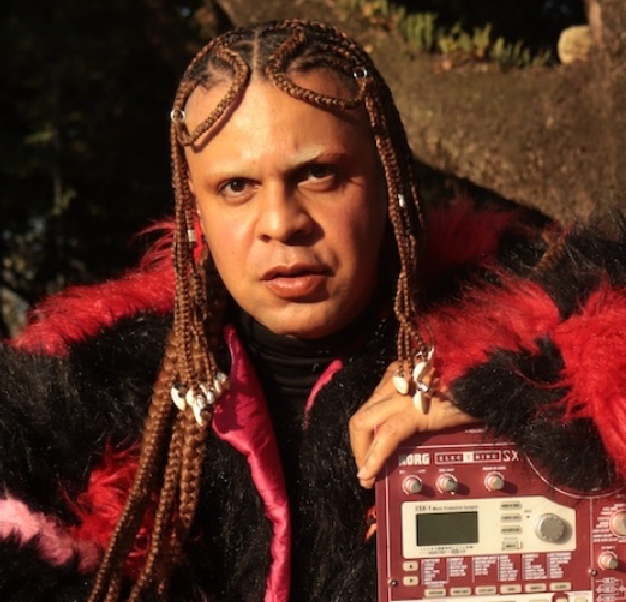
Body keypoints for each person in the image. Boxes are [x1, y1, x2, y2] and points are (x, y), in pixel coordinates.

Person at [1, 18, 625, 602]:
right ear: (196, 210)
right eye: (237, 187)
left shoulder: (539, 318)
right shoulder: (83, 395)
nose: (281, 223)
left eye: (319, 174)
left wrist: (525, 391)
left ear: (388, 183)